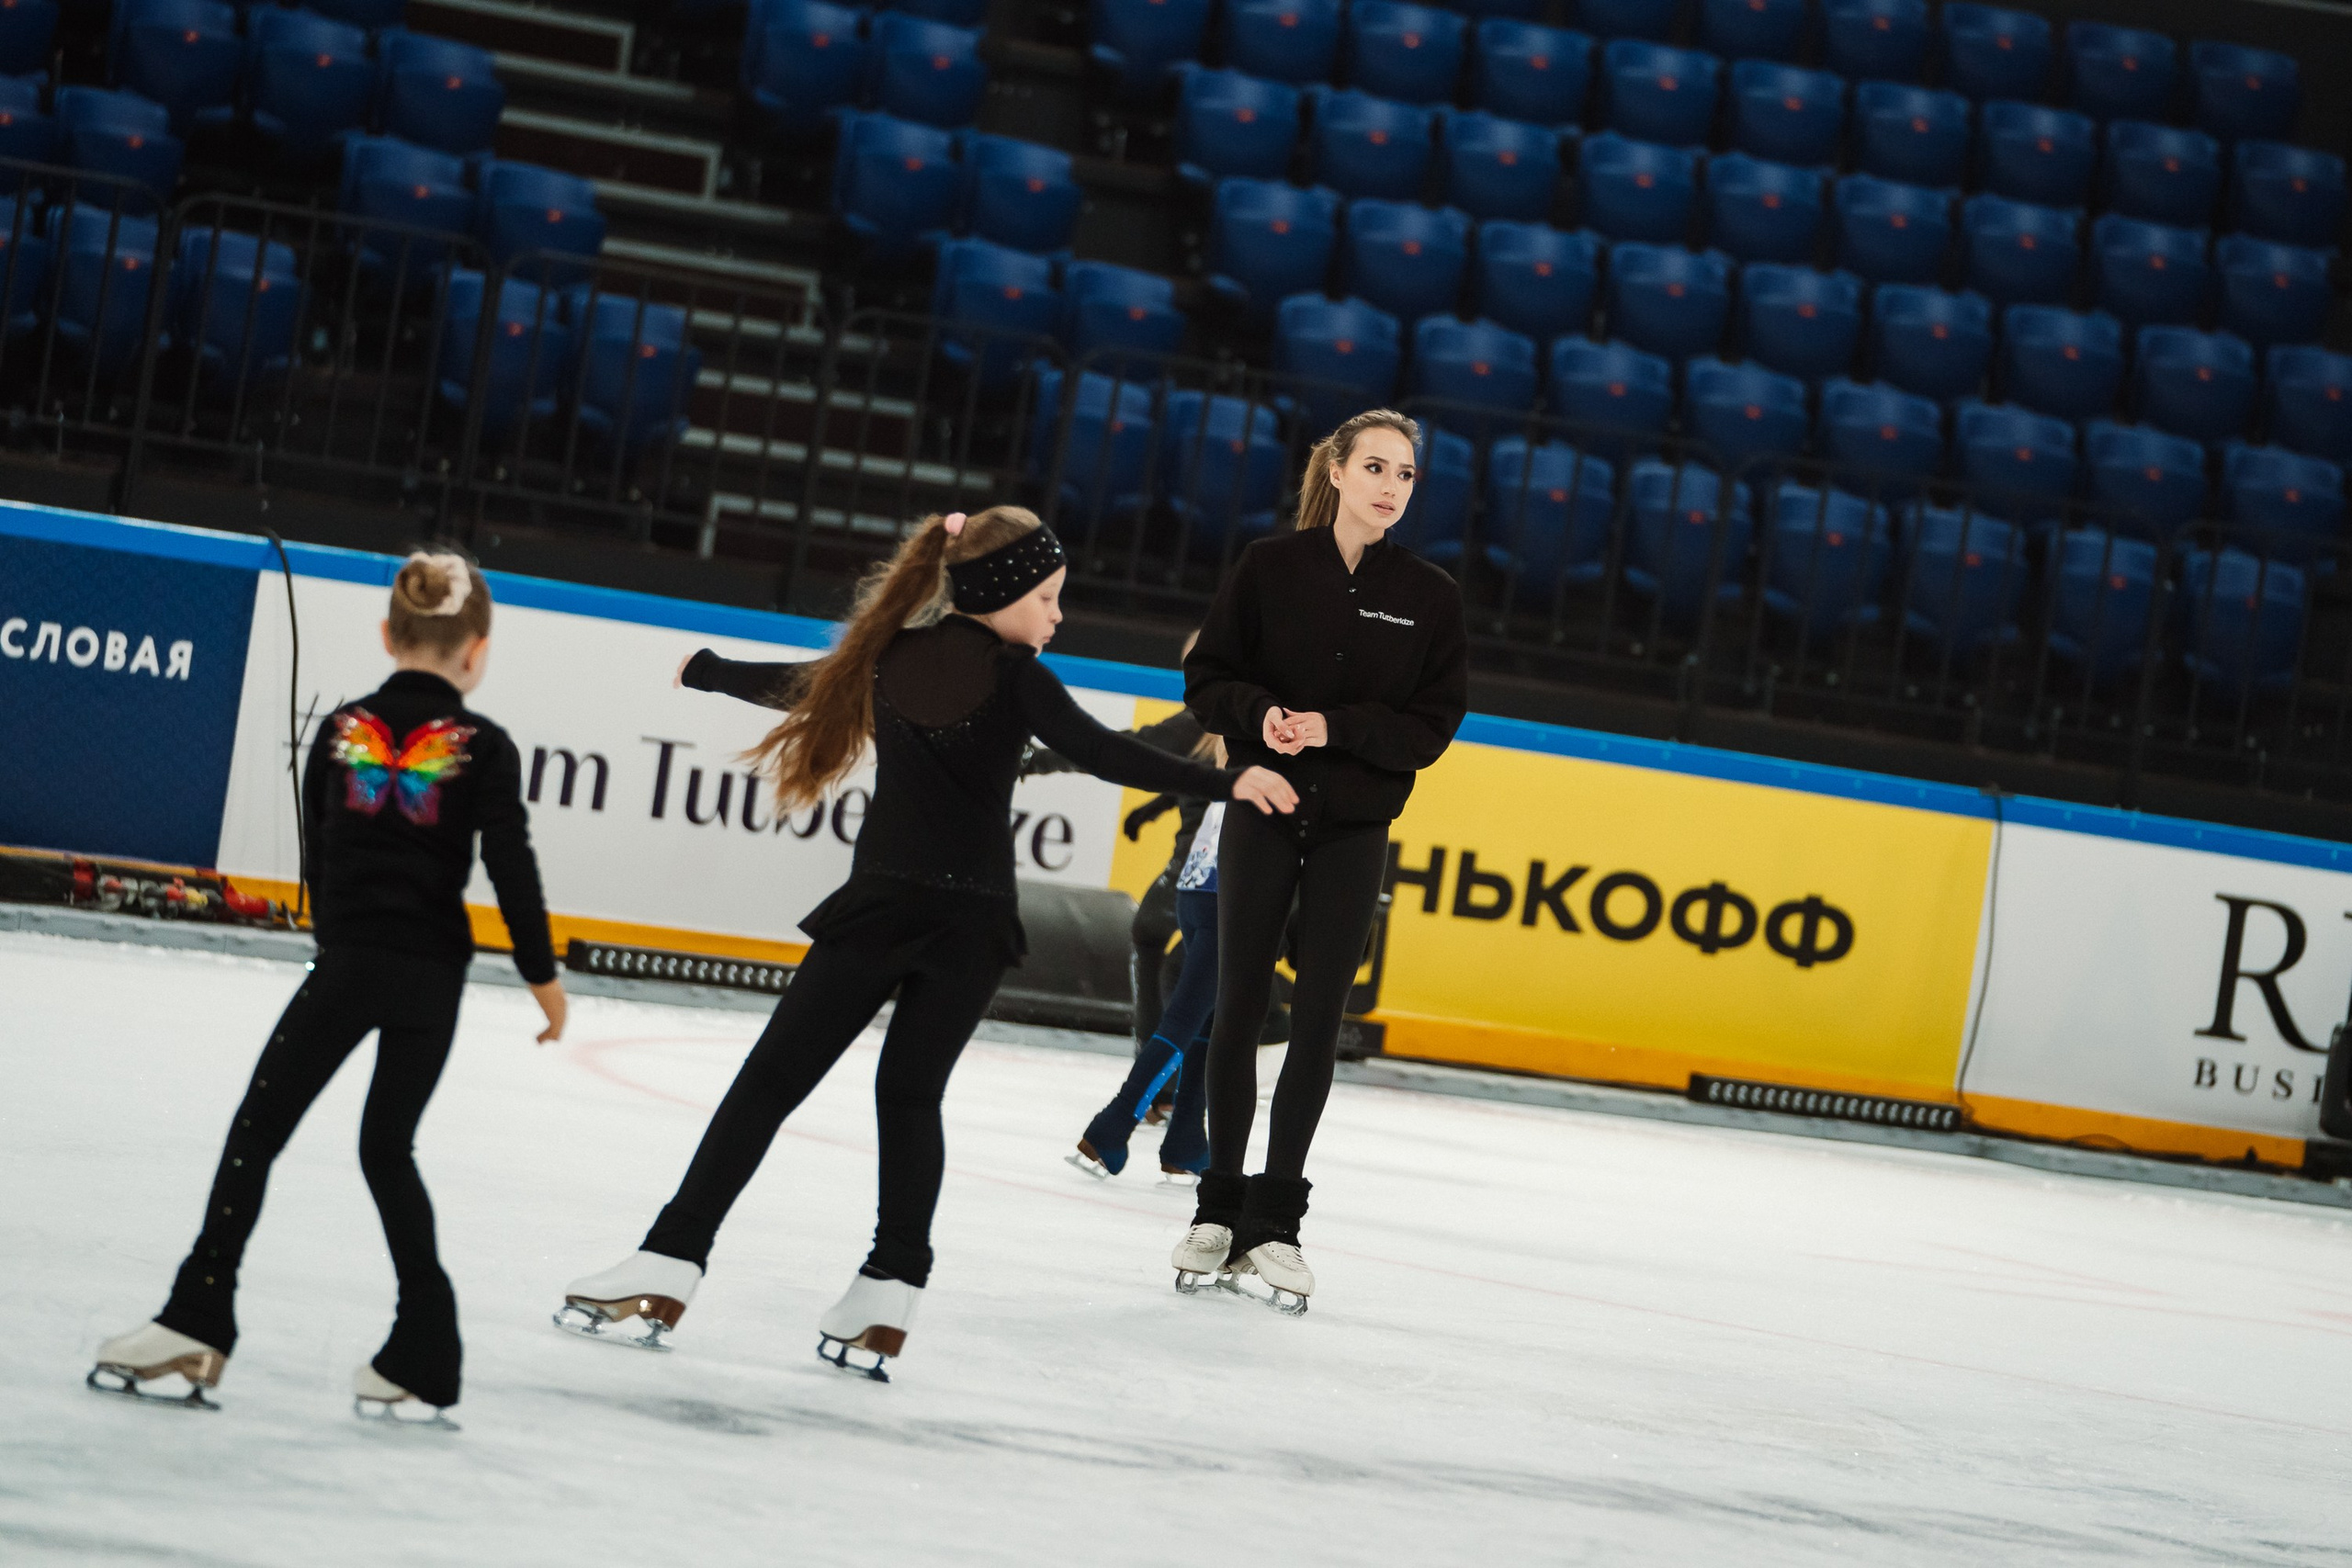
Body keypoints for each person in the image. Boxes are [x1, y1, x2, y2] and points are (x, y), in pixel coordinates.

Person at [554, 507, 1297, 1381]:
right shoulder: (1016, 678)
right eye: (1049, 596)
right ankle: (888, 1290)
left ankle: (671, 1259)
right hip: (969, 925)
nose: (1059, 615)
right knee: (907, 1098)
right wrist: (1228, 779)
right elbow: (1106, 755)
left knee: (767, 1086)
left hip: (883, 910)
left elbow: (799, 681)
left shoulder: (894, 657)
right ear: (1001, 592)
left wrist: (707, 669)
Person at [88, 552, 567, 1424]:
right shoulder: (486, 748)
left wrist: (338, 944)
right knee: (388, 1149)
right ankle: (427, 1346)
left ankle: (199, 1314)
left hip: (353, 965)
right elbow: (511, 866)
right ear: (478, 651)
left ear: (389, 633)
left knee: (258, 1129)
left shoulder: (343, 728)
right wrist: (543, 978)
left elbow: (321, 850)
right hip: (433, 977)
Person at [1170, 409, 1468, 1314]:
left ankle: (1278, 1227)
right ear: (1335, 472)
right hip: (1262, 812)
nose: (1390, 487)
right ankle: (1217, 1210)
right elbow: (1207, 680)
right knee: (1237, 1006)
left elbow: (1430, 728)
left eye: (1405, 476)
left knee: (1315, 1022)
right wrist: (1256, 717)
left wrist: (1337, 728)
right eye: (1374, 467)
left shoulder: (1431, 595)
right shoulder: (1267, 568)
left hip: (1353, 832)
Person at [1067, 738, 1227, 1183]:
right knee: (1187, 1019)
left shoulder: (1229, 722)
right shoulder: (1287, 729)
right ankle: (1111, 1127)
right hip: (1230, 890)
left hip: (1197, 882)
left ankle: (1187, 1143)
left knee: (1205, 1021)